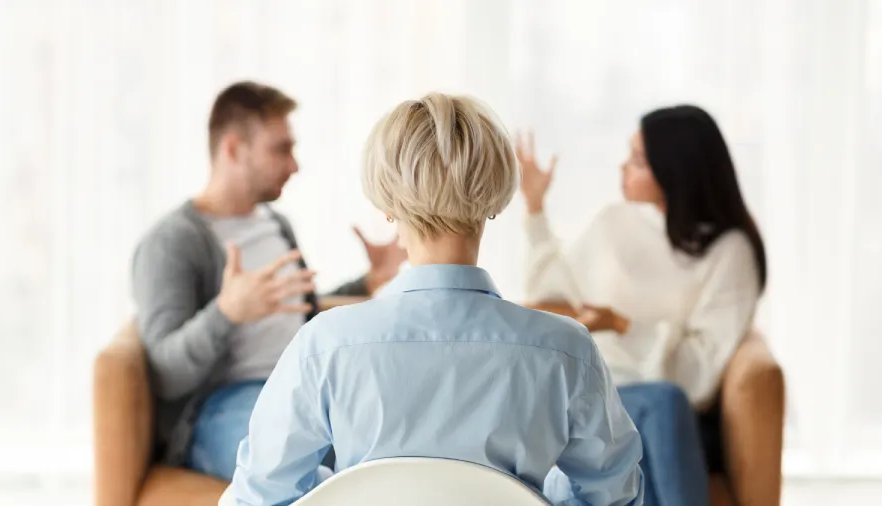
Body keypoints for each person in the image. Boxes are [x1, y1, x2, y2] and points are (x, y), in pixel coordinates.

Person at [224, 93, 645, 506]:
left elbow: (257, 498)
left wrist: (338, 489)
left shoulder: (325, 346)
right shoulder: (566, 351)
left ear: (387, 207)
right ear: (495, 199)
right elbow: (613, 496)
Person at [131, 81, 407, 481]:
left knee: (383, 456)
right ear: (233, 149)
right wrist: (227, 312)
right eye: (281, 149)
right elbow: (164, 374)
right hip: (224, 405)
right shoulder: (172, 242)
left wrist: (368, 281)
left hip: (302, 386)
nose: (294, 165)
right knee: (312, 475)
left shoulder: (276, 224)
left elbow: (298, 308)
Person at [518, 105, 767, 506]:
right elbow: (550, 297)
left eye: (637, 160)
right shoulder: (613, 223)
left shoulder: (728, 251)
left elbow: (702, 371)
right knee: (617, 444)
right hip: (598, 395)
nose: (622, 168)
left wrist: (621, 325)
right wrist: (534, 208)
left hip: (670, 411)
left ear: (675, 170)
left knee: (657, 413)